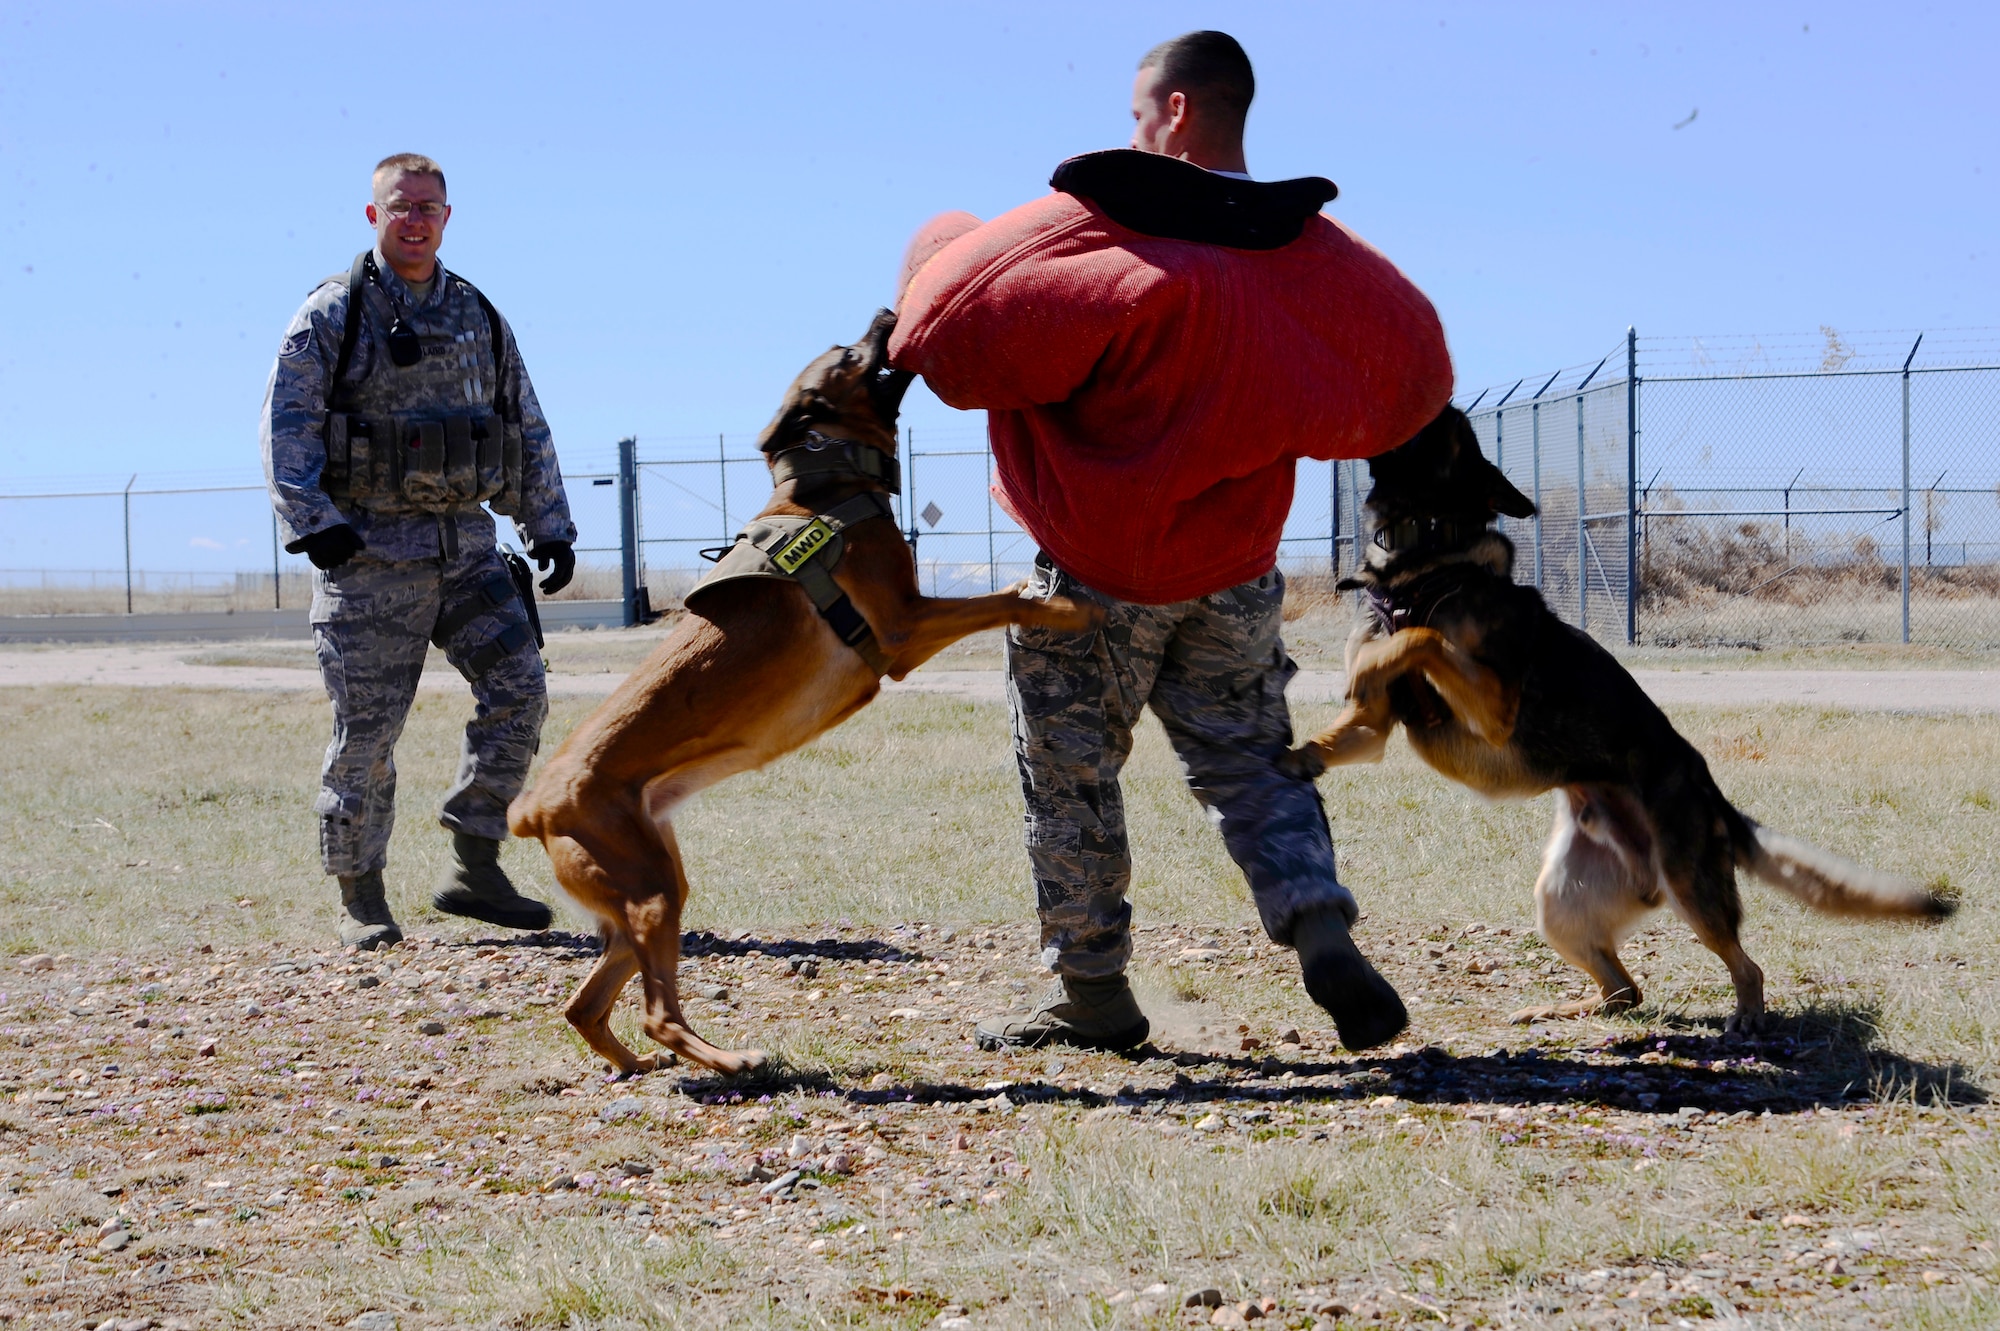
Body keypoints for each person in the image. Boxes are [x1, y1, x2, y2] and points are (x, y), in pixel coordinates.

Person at [890, 32, 1455, 1051]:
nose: (1132, 130)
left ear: (1177, 112)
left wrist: (947, 237)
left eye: (1137, 111)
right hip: (1232, 578)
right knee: (1246, 763)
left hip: (1089, 581)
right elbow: (1410, 374)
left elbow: (945, 337)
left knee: (1070, 777)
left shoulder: (1105, 244)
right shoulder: (1304, 263)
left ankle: (1092, 994)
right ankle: (1317, 920)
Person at [261, 152, 578, 950]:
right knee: (367, 735)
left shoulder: (476, 313)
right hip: (367, 557)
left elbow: (522, 422)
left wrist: (550, 524)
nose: (415, 219)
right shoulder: (335, 311)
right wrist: (313, 519)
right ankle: (360, 895)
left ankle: (475, 861)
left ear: (447, 216)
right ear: (374, 216)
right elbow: (285, 426)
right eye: (401, 207)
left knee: (521, 689)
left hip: (465, 547)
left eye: (429, 207)